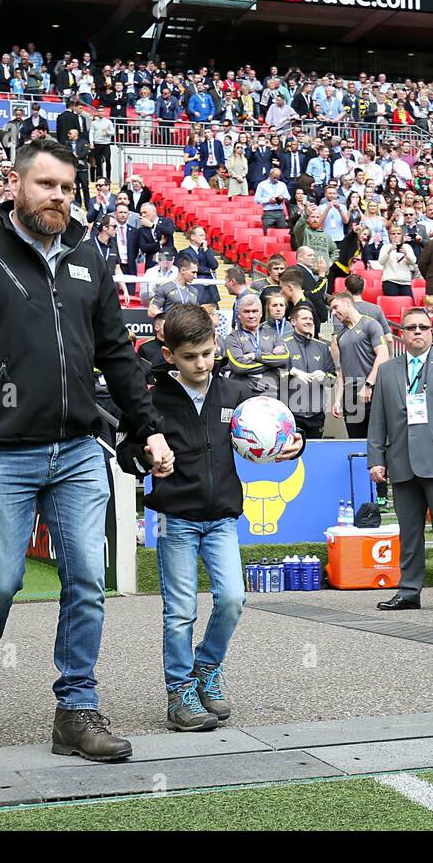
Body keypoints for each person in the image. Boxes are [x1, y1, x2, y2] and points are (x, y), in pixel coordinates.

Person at [0, 138, 172, 762]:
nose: (58, 197)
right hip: (1, 453)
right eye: (46, 185)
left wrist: (146, 429)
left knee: (86, 578)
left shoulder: (88, 256)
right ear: (15, 184)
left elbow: (116, 353)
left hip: (79, 449)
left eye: (66, 187)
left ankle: (76, 711)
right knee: (1, 580)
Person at [119, 305, 303, 731]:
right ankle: (180, 692)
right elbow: (128, 450)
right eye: (189, 357)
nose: (200, 363)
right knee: (180, 609)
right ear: (169, 356)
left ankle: (207, 668)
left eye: (206, 353)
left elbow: (279, 425)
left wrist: (297, 443)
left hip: (222, 517)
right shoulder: (151, 399)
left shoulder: (235, 393)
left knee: (234, 598)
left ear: (215, 346)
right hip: (175, 519)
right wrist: (147, 460)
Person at [368, 306, 433, 614]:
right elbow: (378, 419)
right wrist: (376, 458)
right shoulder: (387, 370)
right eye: (410, 327)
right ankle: (409, 590)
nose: (416, 332)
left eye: (422, 327)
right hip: (401, 460)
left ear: (431, 332)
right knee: (409, 531)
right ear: (401, 334)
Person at [329, 290, 390, 441]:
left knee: (376, 442)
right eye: (332, 310)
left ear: (348, 303)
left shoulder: (371, 324)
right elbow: (342, 369)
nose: (334, 313)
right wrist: (337, 399)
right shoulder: (341, 334)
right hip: (350, 397)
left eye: (336, 307)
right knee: (355, 441)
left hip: (372, 392)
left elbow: (383, 356)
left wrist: (369, 384)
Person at [284, 304, 336, 440]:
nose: (309, 321)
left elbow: (332, 378)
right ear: (294, 322)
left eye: (311, 319)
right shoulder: (284, 345)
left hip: (316, 414)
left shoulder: (322, 347)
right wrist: (292, 372)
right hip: (292, 413)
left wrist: (324, 377)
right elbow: (275, 374)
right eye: (304, 318)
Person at [221, 292, 290, 395]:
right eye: (246, 312)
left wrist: (255, 356)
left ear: (261, 313)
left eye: (255, 311)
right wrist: (272, 360)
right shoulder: (232, 338)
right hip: (244, 396)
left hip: (271, 395)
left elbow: (284, 358)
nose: (251, 315)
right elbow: (239, 366)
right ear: (239, 315)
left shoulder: (273, 334)